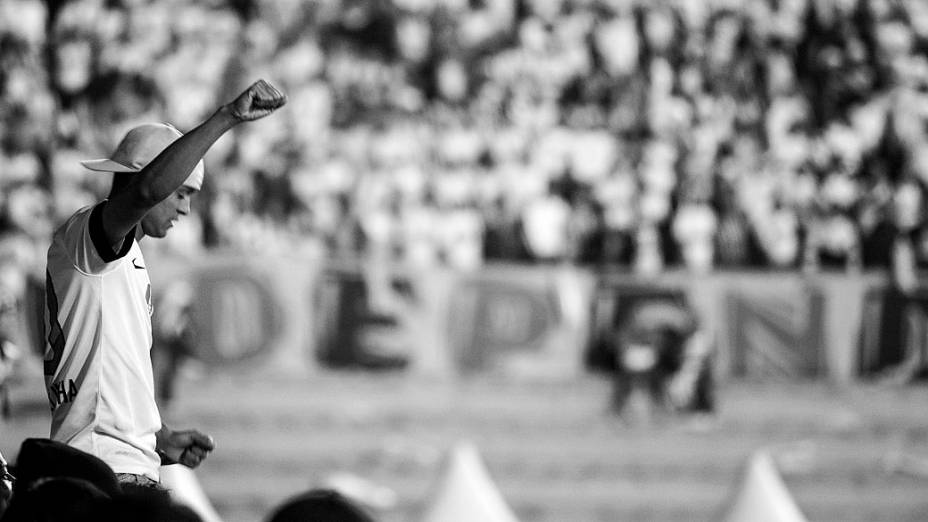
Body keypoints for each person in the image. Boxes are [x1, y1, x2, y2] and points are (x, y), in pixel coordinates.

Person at [42, 79, 286, 490]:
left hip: (111, 463)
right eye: (182, 192)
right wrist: (227, 116)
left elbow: (106, 379)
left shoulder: (120, 258)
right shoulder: (89, 237)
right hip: (103, 470)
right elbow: (147, 190)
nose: (186, 208)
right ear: (147, 178)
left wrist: (157, 437)